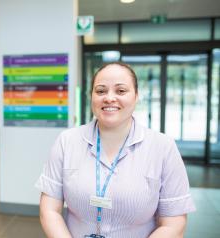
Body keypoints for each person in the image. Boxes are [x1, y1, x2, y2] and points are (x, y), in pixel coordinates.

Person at [36, 62, 196, 238]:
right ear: (91, 97)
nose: (109, 98)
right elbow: (49, 210)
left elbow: (174, 224)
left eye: (121, 91)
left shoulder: (163, 147)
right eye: (101, 91)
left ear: (136, 96)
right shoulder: (67, 142)